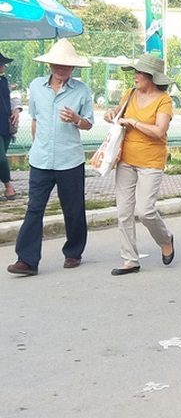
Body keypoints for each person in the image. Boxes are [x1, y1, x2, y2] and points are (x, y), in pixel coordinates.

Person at [7, 38, 93, 276]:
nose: (60, 68)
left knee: (73, 209)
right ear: (50, 65)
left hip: (70, 160)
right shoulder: (36, 86)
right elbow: (35, 119)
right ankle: (27, 259)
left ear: (73, 68)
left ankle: (74, 252)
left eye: (65, 65)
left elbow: (88, 124)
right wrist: (37, 147)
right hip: (41, 160)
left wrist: (76, 119)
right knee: (34, 208)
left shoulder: (82, 91)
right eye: (56, 64)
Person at [106, 55, 175, 276]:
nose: (135, 76)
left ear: (152, 77)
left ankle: (165, 239)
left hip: (151, 161)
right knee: (124, 212)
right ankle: (130, 259)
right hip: (125, 159)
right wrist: (111, 115)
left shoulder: (164, 100)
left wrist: (133, 122)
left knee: (145, 211)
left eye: (140, 73)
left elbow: (159, 131)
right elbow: (118, 115)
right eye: (135, 72)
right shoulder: (130, 94)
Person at [0, 51, 19, 199]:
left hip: (5, 125)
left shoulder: (3, 81)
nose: (4, 66)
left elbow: (12, 98)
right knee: (1, 158)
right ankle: (8, 186)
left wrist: (16, 110)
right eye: (2, 63)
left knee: (2, 156)